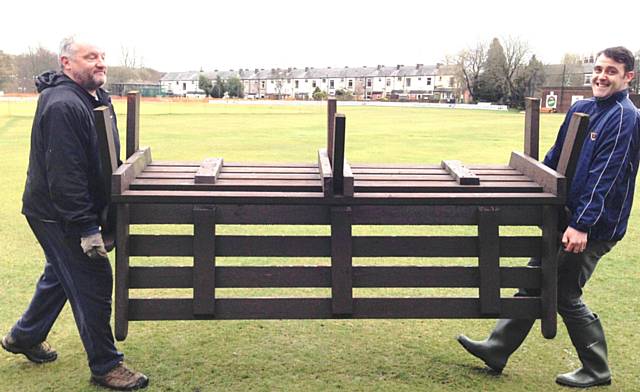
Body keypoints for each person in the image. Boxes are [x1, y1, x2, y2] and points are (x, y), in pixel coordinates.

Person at [457, 46, 639, 388]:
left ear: (628, 77)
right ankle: (497, 348)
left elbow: (607, 175)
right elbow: (555, 158)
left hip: (591, 227)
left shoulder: (624, 117)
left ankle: (597, 369)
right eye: (598, 69)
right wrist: (532, 186)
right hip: (564, 217)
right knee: (532, 279)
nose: (601, 76)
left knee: (564, 292)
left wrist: (581, 224)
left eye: (611, 71)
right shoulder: (582, 108)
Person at [1, 36, 149, 391]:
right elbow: (65, 176)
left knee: (61, 276)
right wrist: (87, 228)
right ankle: (106, 365)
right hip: (58, 213)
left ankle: (24, 336)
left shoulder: (92, 97)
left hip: (67, 209)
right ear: (66, 64)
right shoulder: (63, 105)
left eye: (101, 57)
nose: (99, 63)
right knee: (91, 279)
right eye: (89, 57)